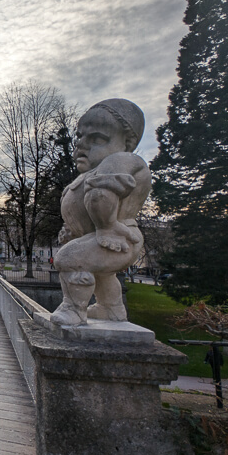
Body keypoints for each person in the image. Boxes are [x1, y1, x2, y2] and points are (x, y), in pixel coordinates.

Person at [50, 99, 151, 326]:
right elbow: (81, 212)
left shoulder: (122, 161)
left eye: (97, 138)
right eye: (80, 137)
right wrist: (72, 231)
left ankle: (74, 310)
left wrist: (106, 226)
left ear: (127, 143)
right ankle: (111, 309)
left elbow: (101, 196)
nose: (82, 145)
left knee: (69, 258)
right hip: (103, 236)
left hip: (119, 236)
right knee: (103, 275)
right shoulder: (91, 173)